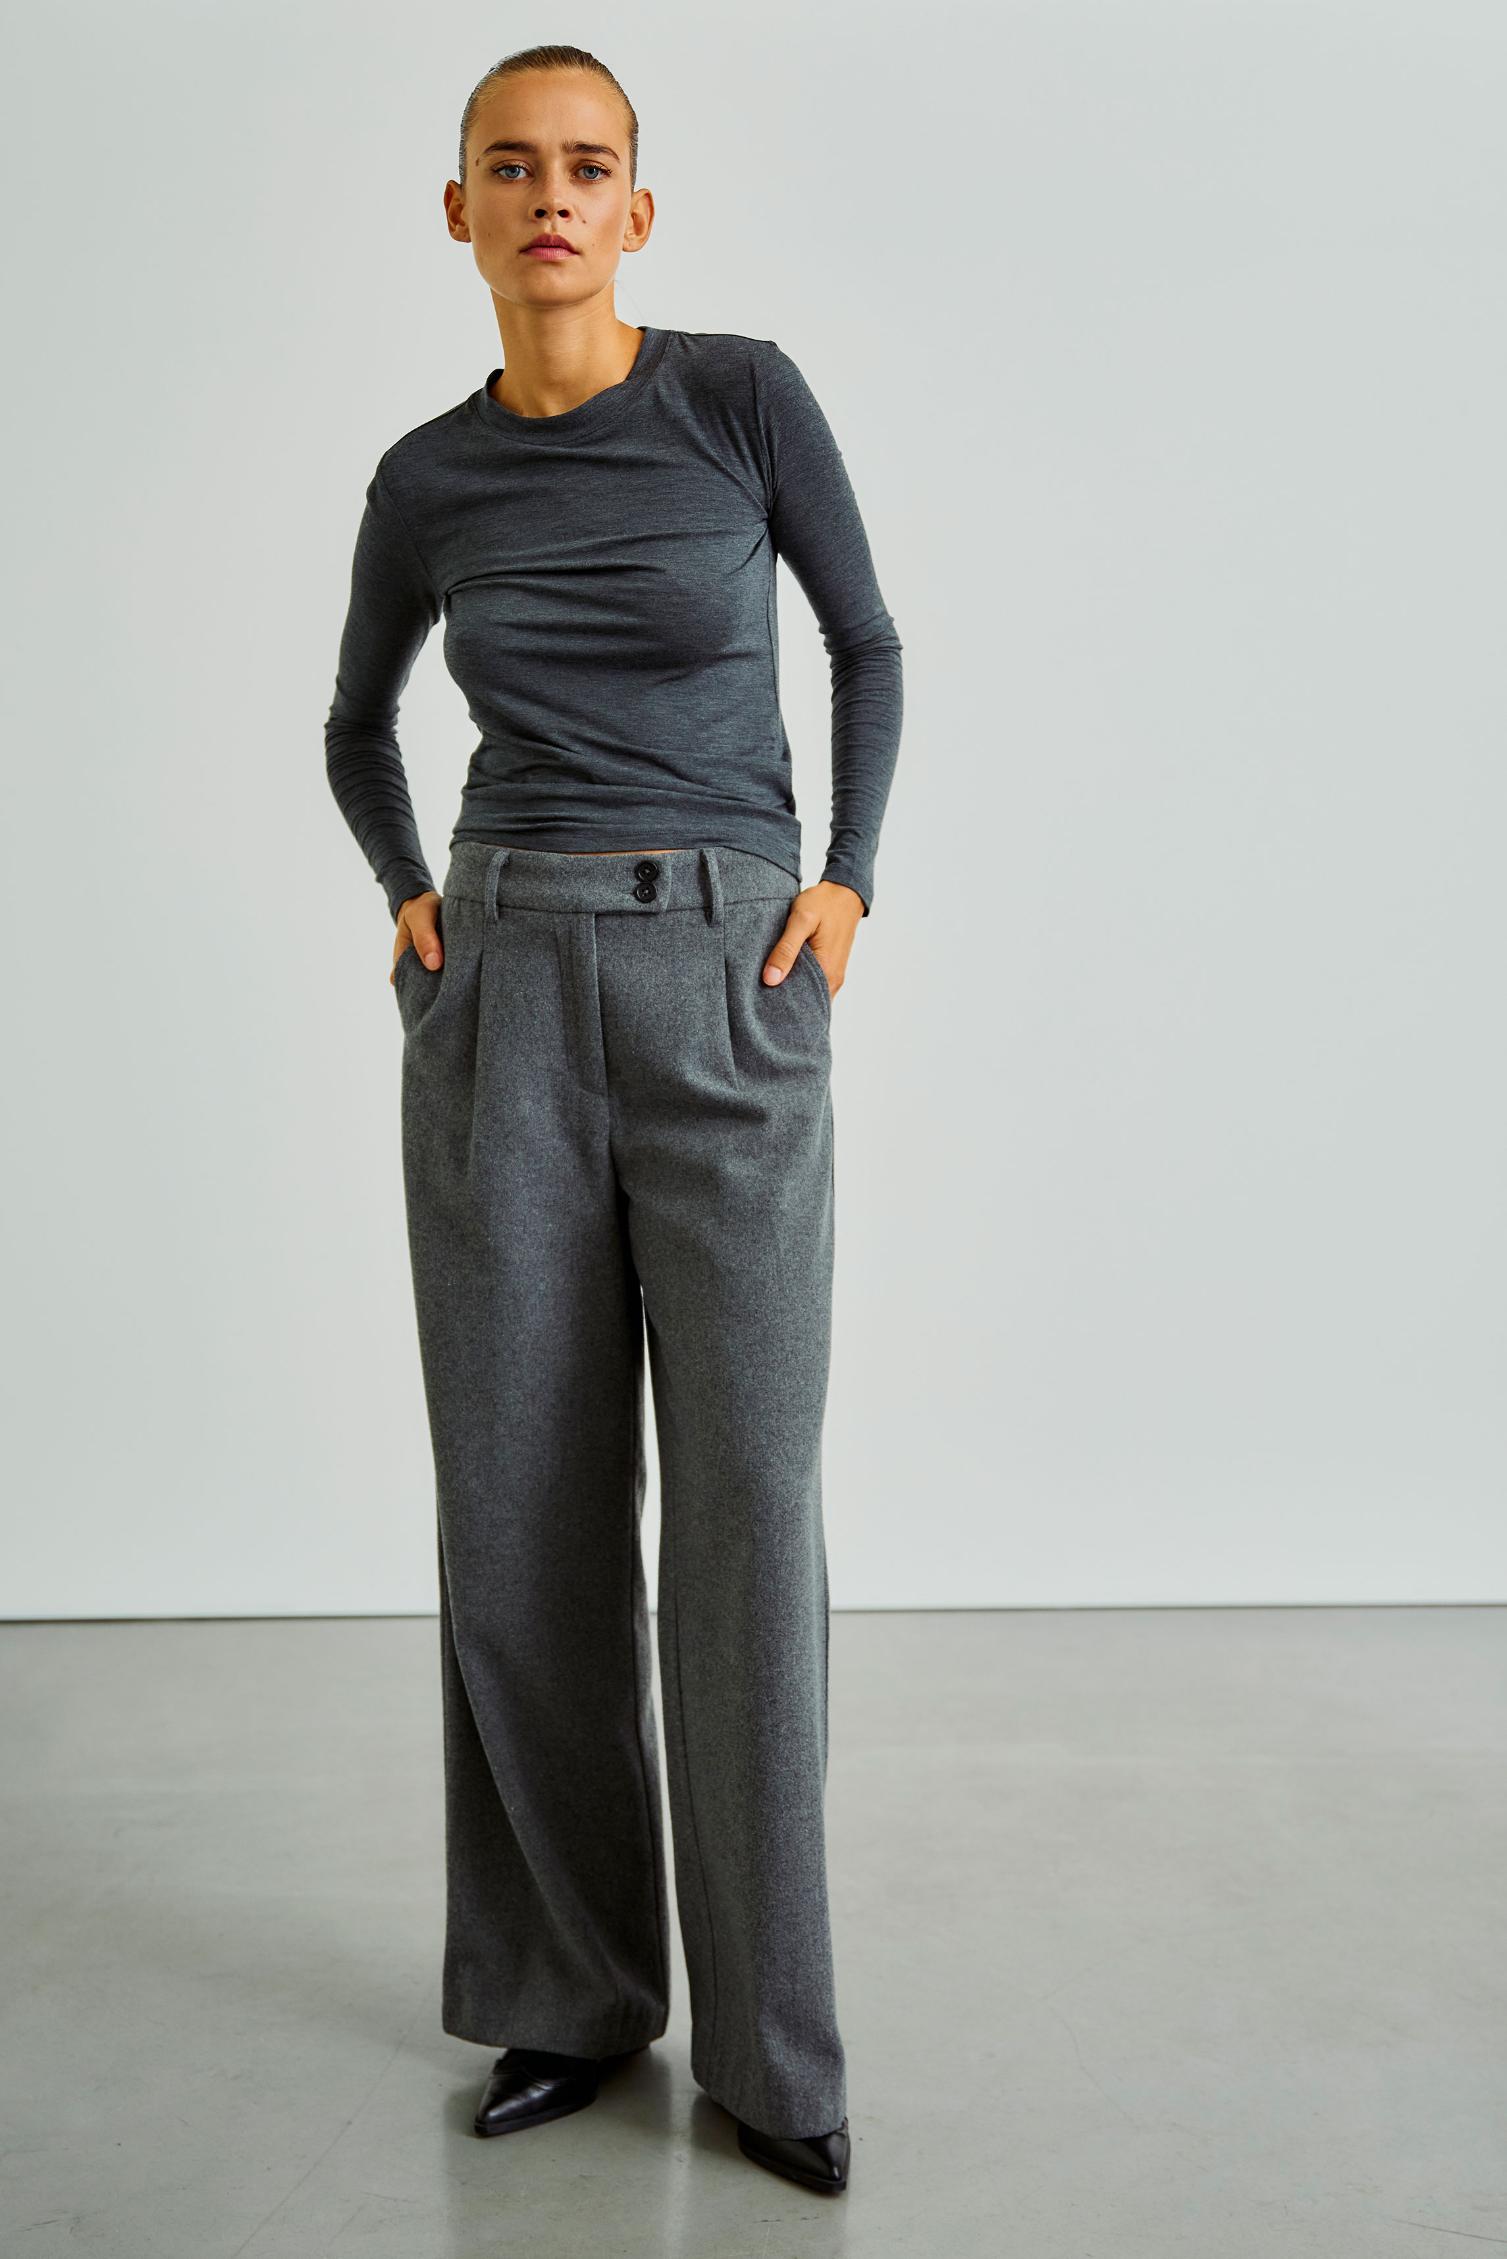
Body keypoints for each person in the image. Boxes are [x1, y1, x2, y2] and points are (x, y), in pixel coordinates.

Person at [323, 43, 902, 2201]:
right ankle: (565, 1995)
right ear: (459, 211)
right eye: (513, 168)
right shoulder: (426, 478)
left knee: (748, 1503)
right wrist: (415, 904)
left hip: (729, 979)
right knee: (523, 1506)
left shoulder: (739, 398)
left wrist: (847, 880)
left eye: (586, 168)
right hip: (502, 988)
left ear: (636, 212)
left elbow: (864, 639)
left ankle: (771, 2041)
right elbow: (354, 718)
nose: (550, 197)